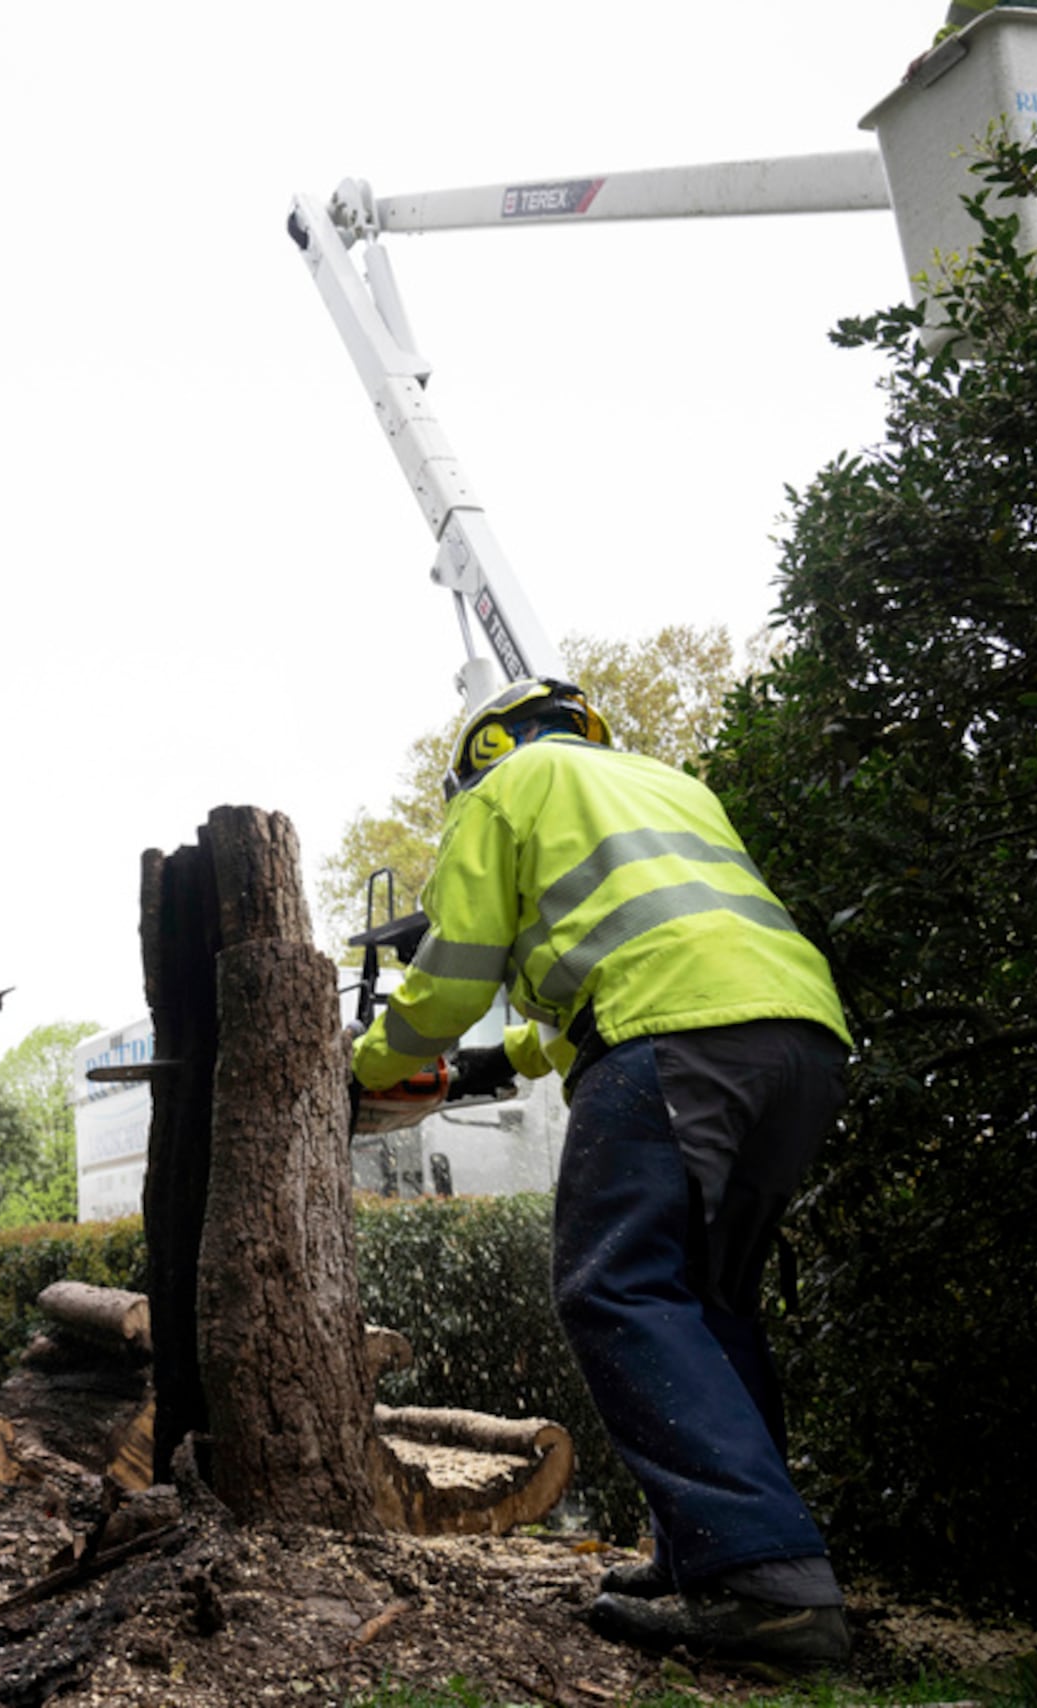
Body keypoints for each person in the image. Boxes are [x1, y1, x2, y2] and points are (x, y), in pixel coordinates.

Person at [349, 678, 855, 1671]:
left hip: (671, 1039)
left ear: (480, 757)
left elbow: (453, 974)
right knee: (706, 1306)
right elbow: (633, 958)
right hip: (797, 1037)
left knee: (614, 1285)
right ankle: (715, 1555)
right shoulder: (666, 788)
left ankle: (766, 1585)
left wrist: (366, 1064)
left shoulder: (505, 785)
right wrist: (491, 1067)